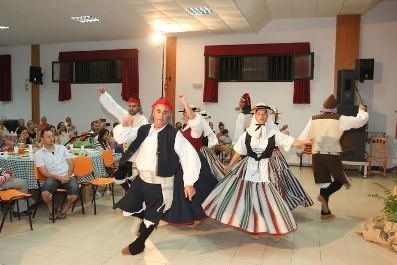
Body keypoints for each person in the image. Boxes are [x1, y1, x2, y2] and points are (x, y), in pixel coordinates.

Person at [202, 103, 312, 237]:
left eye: (264, 114)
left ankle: (277, 227)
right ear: (255, 115)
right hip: (249, 169)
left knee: (270, 200)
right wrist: (230, 165)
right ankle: (255, 227)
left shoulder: (273, 133)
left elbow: (290, 142)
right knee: (251, 200)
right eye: (259, 113)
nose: (262, 116)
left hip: (266, 170)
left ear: (267, 116)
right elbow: (238, 151)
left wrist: (305, 141)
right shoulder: (247, 133)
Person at [112, 97, 201, 255]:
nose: (161, 115)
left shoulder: (174, 134)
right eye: (158, 111)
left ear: (169, 116)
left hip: (161, 183)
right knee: (129, 206)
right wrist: (124, 125)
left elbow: (190, 157)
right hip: (141, 179)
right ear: (153, 112)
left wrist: (189, 183)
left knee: (154, 214)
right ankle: (147, 219)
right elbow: (120, 137)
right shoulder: (144, 129)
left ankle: (139, 245)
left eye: (165, 112)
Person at [299, 94, 368, 220]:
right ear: (335, 108)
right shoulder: (339, 119)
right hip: (331, 155)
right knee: (341, 180)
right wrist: (362, 111)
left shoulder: (313, 118)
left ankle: (325, 213)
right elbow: (360, 122)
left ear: (323, 107)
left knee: (324, 183)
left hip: (316, 156)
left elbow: (304, 136)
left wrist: (299, 148)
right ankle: (324, 196)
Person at [161, 96, 218, 225]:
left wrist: (184, 103)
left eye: (186, 113)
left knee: (194, 189)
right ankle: (186, 214)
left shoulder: (196, 130)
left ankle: (196, 215)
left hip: (194, 162)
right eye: (185, 113)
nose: (184, 115)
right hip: (183, 161)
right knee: (183, 190)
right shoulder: (186, 129)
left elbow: (194, 120)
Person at [98, 87, 148, 187]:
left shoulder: (143, 120)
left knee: (136, 179)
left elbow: (140, 135)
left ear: (139, 107)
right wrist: (104, 94)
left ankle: (134, 195)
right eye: (129, 106)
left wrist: (128, 131)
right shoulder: (125, 115)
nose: (131, 108)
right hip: (127, 153)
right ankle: (129, 192)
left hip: (138, 154)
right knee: (120, 177)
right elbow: (114, 107)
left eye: (134, 106)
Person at [34, 127, 79, 220]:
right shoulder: (38, 154)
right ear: (42, 139)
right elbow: (44, 172)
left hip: (67, 176)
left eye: (52, 136)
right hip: (52, 177)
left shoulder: (62, 148)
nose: (51, 139)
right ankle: (52, 210)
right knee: (45, 194)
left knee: (74, 195)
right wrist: (58, 177)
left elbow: (71, 163)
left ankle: (64, 209)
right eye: (48, 137)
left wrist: (68, 175)